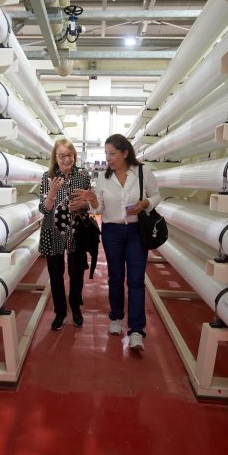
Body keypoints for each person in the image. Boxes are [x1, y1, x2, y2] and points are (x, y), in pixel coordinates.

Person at [73, 134, 161, 351]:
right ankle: (115, 318)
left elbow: (157, 195)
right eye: (106, 154)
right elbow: (99, 209)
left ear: (125, 153)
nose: (108, 158)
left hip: (136, 231)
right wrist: (92, 199)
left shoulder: (143, 172)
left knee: (136, 280)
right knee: (115, 277)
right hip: (112, 231)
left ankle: (137, 330)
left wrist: (145, 203)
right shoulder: (104, 177)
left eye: (112, 153)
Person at [39, 138, 91, 331]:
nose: (66, 159)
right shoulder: (47, 177)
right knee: (55, 273)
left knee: (76, 271)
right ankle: (60, 311)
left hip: (76, 231)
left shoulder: (82, 177)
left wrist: (84, 205)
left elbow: (90, 205)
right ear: (55, 157)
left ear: (74, 156)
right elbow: (43, 210)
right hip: (53, 231)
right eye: (62, 156)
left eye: (70, 155)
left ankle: (75, 306)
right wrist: (52, 193)